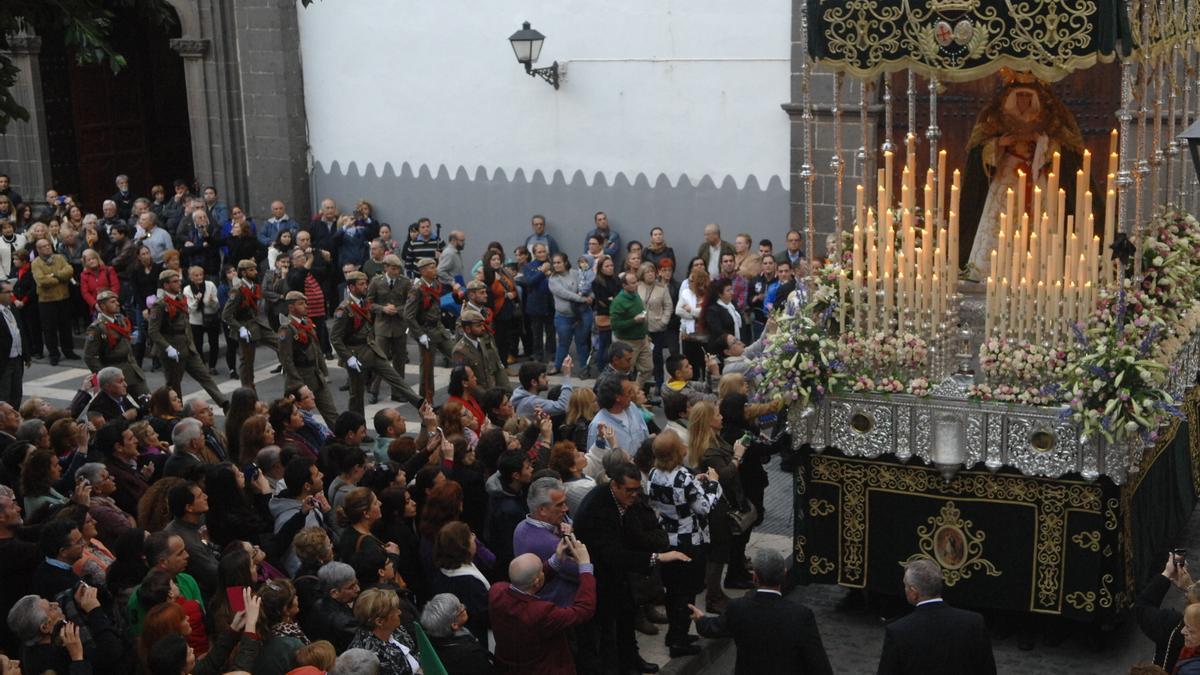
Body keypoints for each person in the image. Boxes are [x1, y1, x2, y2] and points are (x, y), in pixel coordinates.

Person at [689, 547, 832, 675]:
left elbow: (715, 627)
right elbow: (818, 663)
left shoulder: (738, 608)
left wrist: (700, 620)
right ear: (784, 575)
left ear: (755, 577)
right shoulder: (801, 615)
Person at [647, 430, 721, 655]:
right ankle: (678, 641)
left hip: (667, 539)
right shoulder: (684, 478)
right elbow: (704, 507)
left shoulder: (653, 474)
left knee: (673, 590)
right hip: (689, 541)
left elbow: (670, 497)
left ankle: (675, 634)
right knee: (687, 592)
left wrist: (694, 485)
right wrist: (713, 485)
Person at [489, 536, 596, 675]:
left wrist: (556, 560)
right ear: (538, 581)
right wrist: (585, 567)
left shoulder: (496, 592)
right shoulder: (541, 612)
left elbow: (527, 583)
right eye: (541, 570)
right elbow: (583, 610)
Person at [876, 557, 996, 675]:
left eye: (905, 586)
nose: (905, 589)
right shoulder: (974, 623)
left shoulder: (898, 632)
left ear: (914, 592)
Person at [331, 270, 423, 417]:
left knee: (395, 378)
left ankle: (421, 404)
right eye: (361, 284)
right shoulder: (344, 309)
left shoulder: (364, 303)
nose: (365, 286)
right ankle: (358, 427)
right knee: (356, 396)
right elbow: (335, 338)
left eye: (366, 283)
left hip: (372, 348)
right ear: (352, 287)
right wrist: (348, 357)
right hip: (356, 354)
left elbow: (372, 310)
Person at [688, 400, 747, 613]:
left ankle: (716, 591)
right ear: (708, 421)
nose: (721, 417)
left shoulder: (712, 441)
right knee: (718, 552)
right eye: (718, 415)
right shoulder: (709, 449)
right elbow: (725, 475)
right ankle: (713, 596)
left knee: (719, 550)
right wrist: (738, 455)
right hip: (717, 507)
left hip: (718, 503)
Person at [148, 270, 228, 409]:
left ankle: (224, 403)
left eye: (178, 280)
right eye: (174, 281)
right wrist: (167, 348)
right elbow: (153, 331)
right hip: (172, 348)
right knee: (174, 385)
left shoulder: (180, 298)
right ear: (165, 285)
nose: (178, 283)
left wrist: (190, 342)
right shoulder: (160, 304)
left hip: (187, 346)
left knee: (205, 376)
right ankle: (176, 413)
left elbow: (186, 323)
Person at [1136, 552, 1200, 672]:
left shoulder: (1172, 626)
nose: (1183, 631)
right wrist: (1191, 588)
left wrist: (1167, 573)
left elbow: (1142, 607)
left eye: (1191, 630)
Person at [222, 259, 279, 390]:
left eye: (255, 269)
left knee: (280, 343)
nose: (255, 272)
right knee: (247, 363)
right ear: (243, 272)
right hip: (245, 326)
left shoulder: (253, 286)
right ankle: (248, 390)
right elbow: (226, 315)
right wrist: (240, 328)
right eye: (251, 270)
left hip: (257, 323)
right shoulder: (237, 290)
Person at [431, 521, 491, 643]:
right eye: (470, 537)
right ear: (463, 547)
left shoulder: (443, 570)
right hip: (474, 638)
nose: (474, 538)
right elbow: (484, 616)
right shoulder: (470, 582)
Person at [85, 290, 149, 398]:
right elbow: (89, 356)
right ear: (103, 306)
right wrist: (104, 375)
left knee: (148, 402)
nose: (117, 304)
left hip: (132, 370)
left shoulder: (121, 320)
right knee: (121, 410)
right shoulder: (96, 328)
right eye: (113, 302)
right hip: (115, 374)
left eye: (117, 301)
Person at [366, 254, 412, 404]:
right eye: (393, 268)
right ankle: (374, 389)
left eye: (398, 268)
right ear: (385, 268)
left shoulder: (405, 283)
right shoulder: (376, 282)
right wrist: (382, 309)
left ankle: (398, 392)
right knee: (380, 360)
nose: (396, 271)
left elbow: (411, 303)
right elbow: (368, 303)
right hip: (382, 326)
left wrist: (398, 310)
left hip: (399, 326)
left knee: (399, 361)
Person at [163, 482, 219, 597]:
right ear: (189, 508)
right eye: (199, 496)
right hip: (208, 593)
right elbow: (215, 574)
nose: (206, 496)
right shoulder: (184, 542)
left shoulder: (199, 517)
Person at [347, 588, 421, 675]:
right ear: (380, 622)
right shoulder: (371, 658)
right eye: (395, 610)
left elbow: (414, 649)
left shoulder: (394, 628)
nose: (400, 612)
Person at [421, 593, 495, 674]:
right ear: (454, 625)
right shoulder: (471, 655)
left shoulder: (431, 642)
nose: (464, 606)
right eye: (460, 608)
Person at [31, 236, 77, 365]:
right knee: (49, 329)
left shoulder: (60, 258)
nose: (47, 247)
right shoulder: (36, 263)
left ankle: (68, 350)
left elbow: (69, 271)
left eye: (48, 245)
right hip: (46, 301)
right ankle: (53, 353)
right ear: (38, 249)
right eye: (44, 246)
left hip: (63, 297)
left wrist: (54, 275)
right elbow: (42, 281)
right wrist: (61, 279)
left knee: (66, 327)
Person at [548, 252, 592, 374]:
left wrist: (590, 296)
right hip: (563, 317)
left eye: (559, 262)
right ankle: (557, 366)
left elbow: (586, 286)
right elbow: (565, 294)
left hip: (581, 314)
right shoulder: (553, 279)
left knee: (581, 343)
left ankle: (584, 368)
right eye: (554, 263)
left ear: (565, 262)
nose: (556, 265)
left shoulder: (575, 273)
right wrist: (583, 299)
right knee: (563, 343)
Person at [303, 561, 360, 653]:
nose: (357, 589)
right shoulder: (345, 623)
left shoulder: (318, 604)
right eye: (351, 587)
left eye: (356, 583)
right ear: (334, 593)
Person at [609, 271, 654, 390]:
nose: (636, 285)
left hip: (642, 340)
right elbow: (615, 325)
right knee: (625, 371)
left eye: (636, 282)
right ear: (624, 285)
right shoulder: (618, 302)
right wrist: (633, 321)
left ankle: (635, 391)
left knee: (648, 368)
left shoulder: (635, 294)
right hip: (628, 342)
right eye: (633, 283)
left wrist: (646, 334)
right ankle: (625, 393)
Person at [637, 262, 673, 399]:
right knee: (641, 358)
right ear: (642, 274)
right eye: (647, 272)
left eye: (652, 271)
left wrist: (663, 321)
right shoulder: (637, 287)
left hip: (657, 328)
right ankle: (642, 386)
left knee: (657, 357)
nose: (651, 274)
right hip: (640, 329)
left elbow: (668, 307)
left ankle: (659, 384)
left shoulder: (662, 288)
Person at [453, 309, 509, 392]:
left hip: (492, 391)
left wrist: (505, 392)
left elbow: (494, 367)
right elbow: (467, 382)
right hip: (478, 397)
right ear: (468, 329)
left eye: (482, 325)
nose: (483, 328)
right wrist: (488, 397)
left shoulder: (482, 342)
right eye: (478, 326)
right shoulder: (460, 351)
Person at [0, 280, 25, 408]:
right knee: (4, 397)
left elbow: (19, 331)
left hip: (17, 359)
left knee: (17, 394)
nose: (11, 295)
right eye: (8, 292)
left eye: (12, 291)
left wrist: (26, 354)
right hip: (4, 361)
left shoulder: (12, 309)